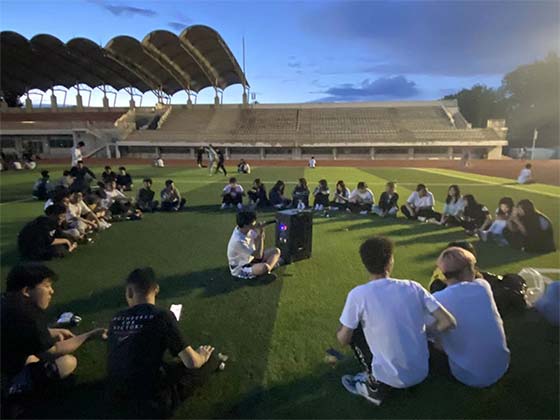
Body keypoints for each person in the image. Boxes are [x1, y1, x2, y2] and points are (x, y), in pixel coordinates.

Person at [337, 237, 456, 405]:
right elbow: (448, 321)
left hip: (391, 378)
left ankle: (374, 385)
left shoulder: (358, 295)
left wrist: (342, 331)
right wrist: (423, 333)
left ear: (365, 263)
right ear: (390, 261)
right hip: (422, 371)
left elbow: (343, 339)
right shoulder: (413, 287)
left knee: (352, 330)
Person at [106, 267, 220, 418]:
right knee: (210, 360)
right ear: (156, 289)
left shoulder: (116, 318)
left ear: (129, 292)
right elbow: (192, 362)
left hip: (116, 395)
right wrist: (202, 356)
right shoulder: (162, 316)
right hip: (151, 402)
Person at [1, 264, 107, 418]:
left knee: (31, 357)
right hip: (7, 375)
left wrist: (50, 332)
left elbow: (19, 333)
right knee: (67, 362)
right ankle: (16, 393)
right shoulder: (27, 316)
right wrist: (90, 335)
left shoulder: (7, 302)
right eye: (46, 286)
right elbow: (52, 351)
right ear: (26, 291)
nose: (51, 291)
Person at [429, 247, 510, 387]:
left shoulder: (437, 300)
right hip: (502, 365)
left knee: (430, 338)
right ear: (467, 270)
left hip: (469, 376)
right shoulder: (483, 286)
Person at [227, 211, 282, 280]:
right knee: (265, 267)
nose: (255, 223)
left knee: (276, 251)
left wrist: (259, 231)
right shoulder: (238, 241)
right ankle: (266, 269)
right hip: (241, 267)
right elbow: (259, 255)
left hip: (251, 258)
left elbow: (256, 243)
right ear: (245, 225)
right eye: (252, 223)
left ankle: (266, 271)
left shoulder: (245, 229)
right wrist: (261, 236)